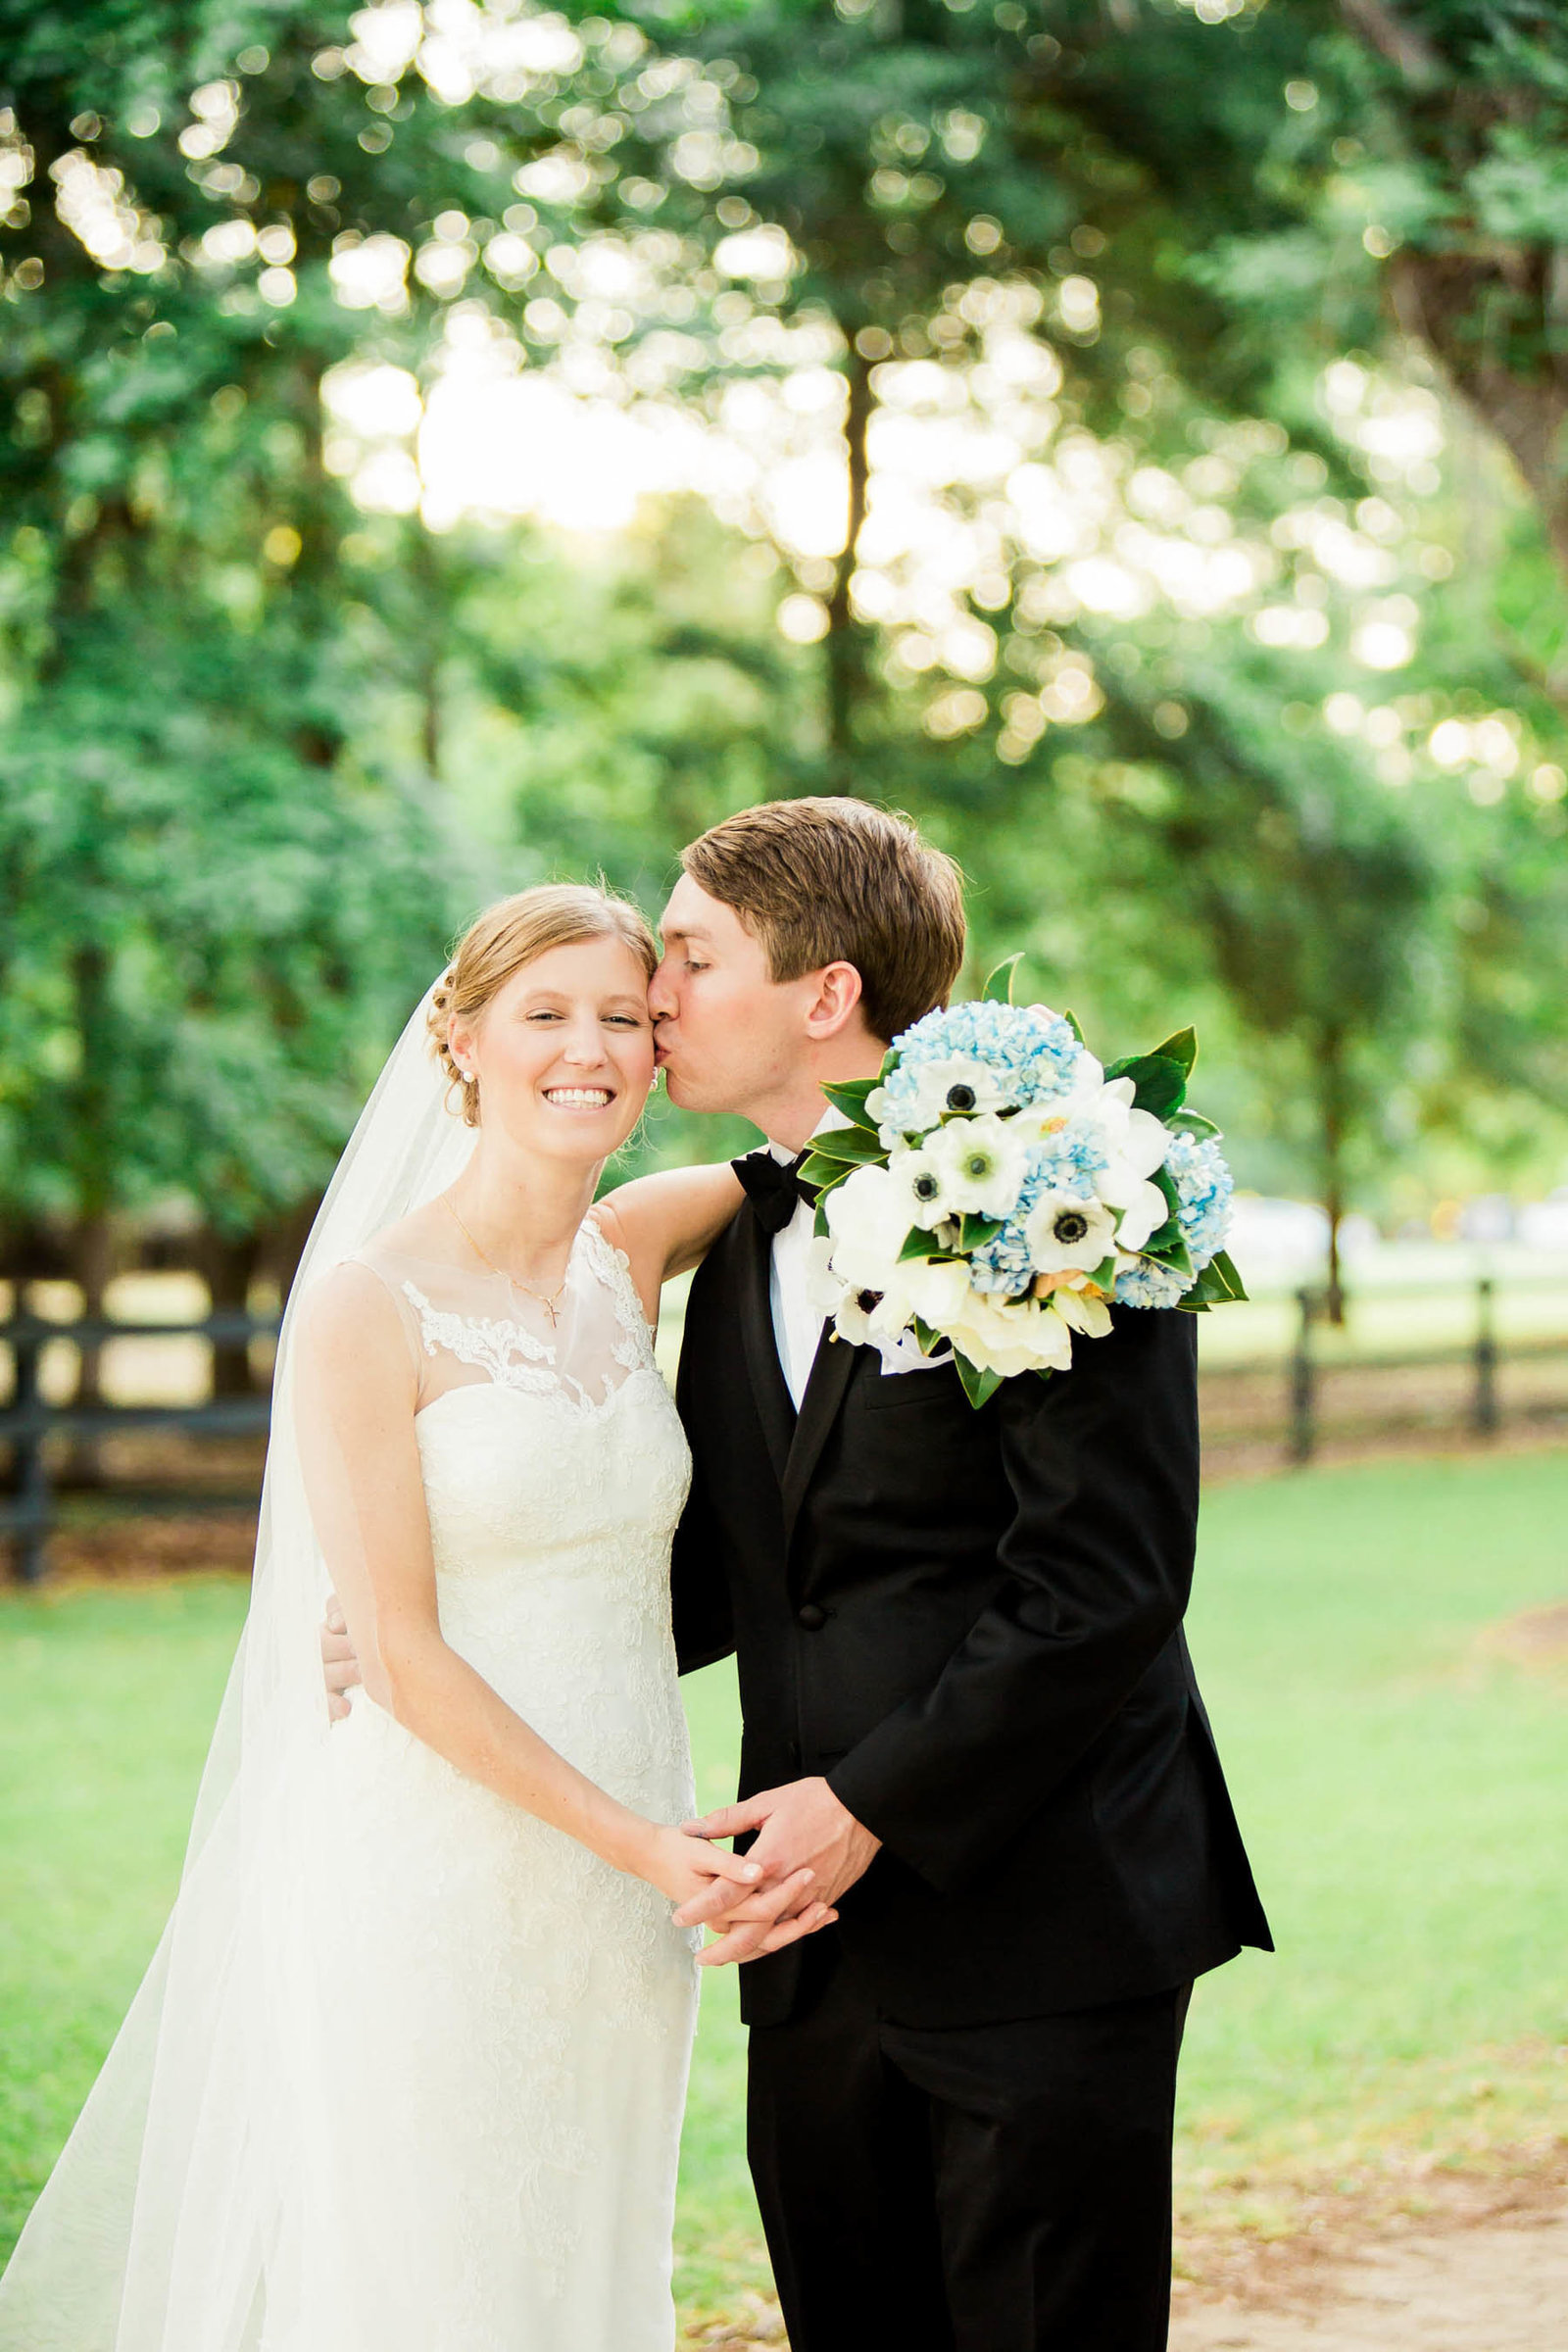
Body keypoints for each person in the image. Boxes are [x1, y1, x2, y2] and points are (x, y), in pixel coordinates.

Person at [0, 883, 829, 2352]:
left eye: (626, 1019)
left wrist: (1006, 1107)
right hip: (440, 1866)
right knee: (426, 2276)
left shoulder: (634, 1248)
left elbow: (826, 1148)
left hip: (628, 1890)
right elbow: (390, 1648)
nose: (591, 1048)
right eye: (546, 1014)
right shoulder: (366, 1306)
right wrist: (645, 1845)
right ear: (459, 1038)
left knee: (588, 2257)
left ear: (656, 1060)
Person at [649, 797, 1273, 2352]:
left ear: (824, 993)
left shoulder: (1073, 1193)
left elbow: (1107, 1581)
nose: (654, 992)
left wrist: (867, 1808)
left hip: (1046, 1917)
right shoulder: (738, 1244)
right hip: (804, 1949)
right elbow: (737, 1578)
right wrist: (443, 1627)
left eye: (689, 954)